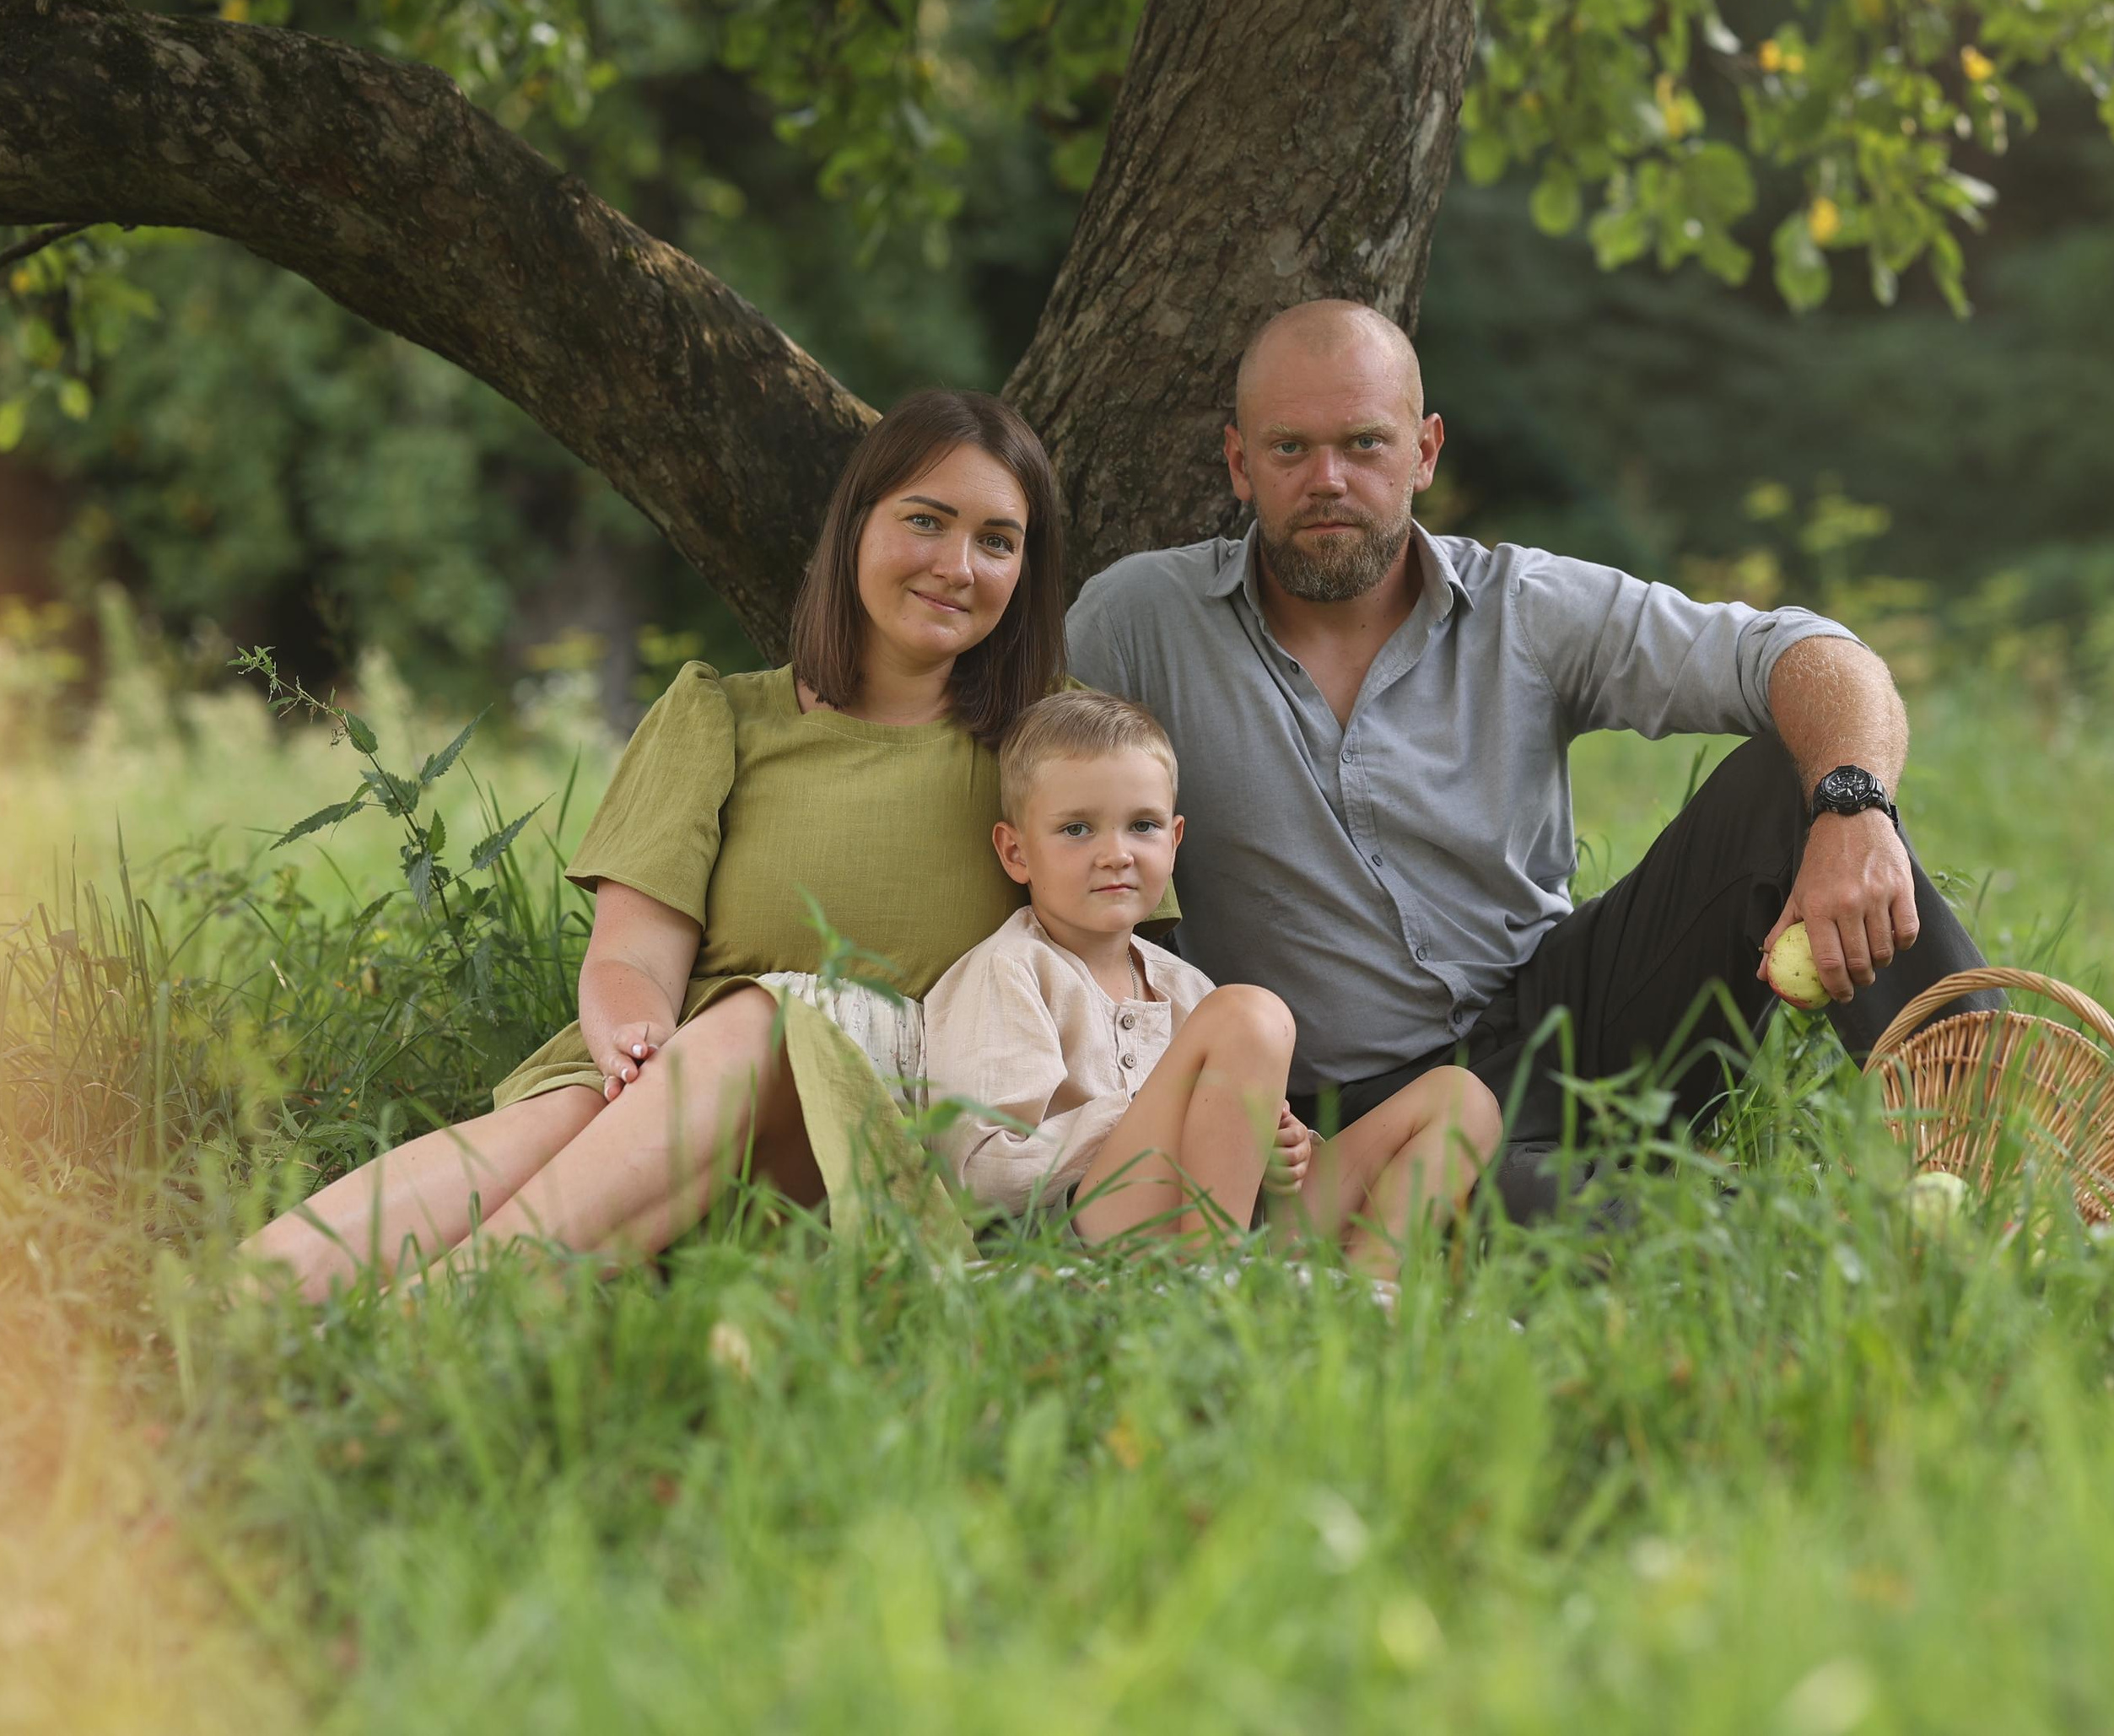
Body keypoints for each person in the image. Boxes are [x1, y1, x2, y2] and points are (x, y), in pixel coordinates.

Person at [1065, 299, 1998, 1216]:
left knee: (1786, 784)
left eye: (1363, 443)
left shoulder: (1524, 606)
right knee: (1669, 1236)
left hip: (1571, 1019)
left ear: (1424, 451)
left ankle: (2005, 1158)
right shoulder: (1139, 624)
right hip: (1350, 1113)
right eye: (1288, 449)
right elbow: (1034, 810)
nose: (1328, 479)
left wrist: (1852, 803)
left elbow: (1805, 652)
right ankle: (1758, 1224)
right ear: (1239, 462)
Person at [245, 389, 1070, 1298]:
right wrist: (636, 1041)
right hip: (673, 1084)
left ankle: (438, 1318)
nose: (958, 564)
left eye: (997, 540)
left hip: (873, 1128)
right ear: (855, 527)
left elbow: (1112, 973)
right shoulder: (718, 717)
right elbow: (632, 953)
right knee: (555, 1123)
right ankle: (233, 1308)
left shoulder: (1051, 752)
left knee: (771, 1016)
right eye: (926, 520)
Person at [925, 690, 1501, 1274]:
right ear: (1016, 852)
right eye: (1077, 830)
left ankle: (1367, 1292)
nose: (1116, 854)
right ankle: (1211, 1300)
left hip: (1235, 1225)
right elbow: (981, 1173)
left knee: (1463, 1101)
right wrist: (1151, 1114)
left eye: (1142, 826)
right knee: (1249, 1015)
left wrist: (1283, 1148)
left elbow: (1240, 1137)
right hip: (1082, 1245)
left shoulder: (1185, 986)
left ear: (1174, 842)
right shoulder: (1012, 971)